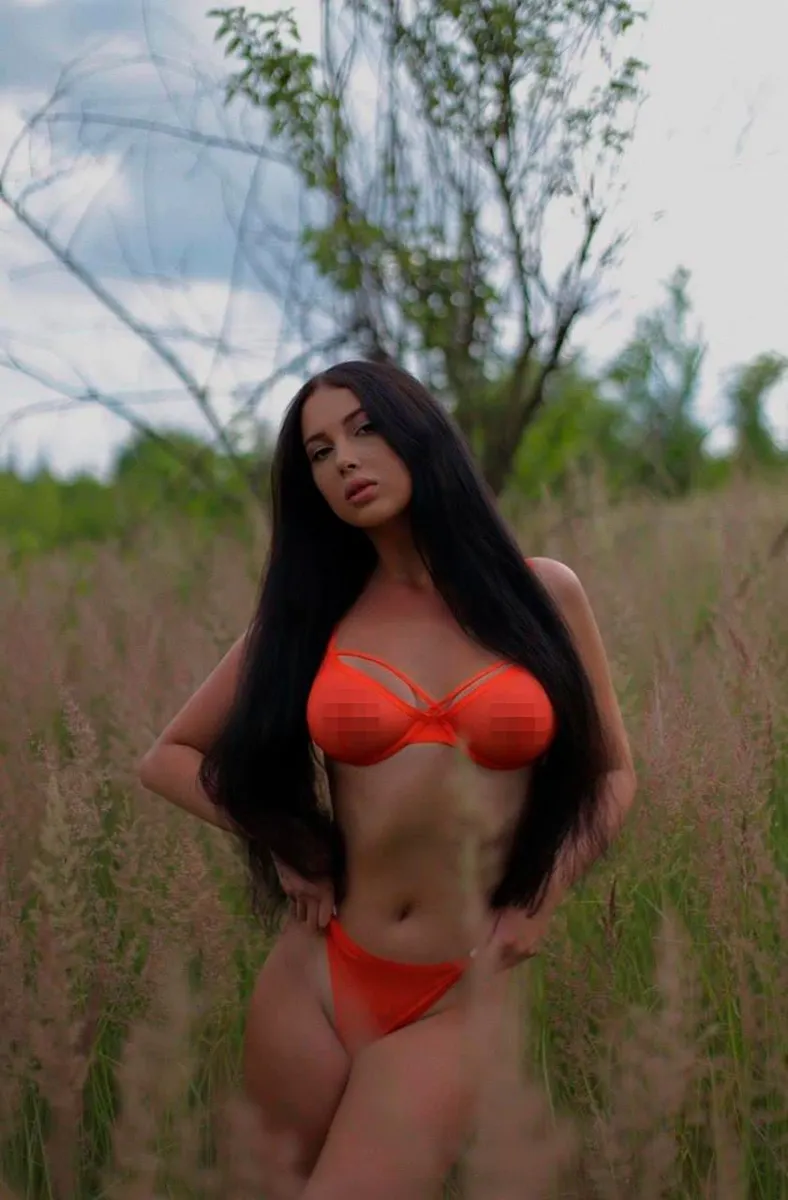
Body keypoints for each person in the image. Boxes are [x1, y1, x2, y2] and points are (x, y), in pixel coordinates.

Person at [139, 359, 636, 1200]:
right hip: (316, 975)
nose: (344, 459)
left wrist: (542, 898)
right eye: (320, 451)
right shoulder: (313, 616)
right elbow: (169, 758)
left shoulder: (543, 594)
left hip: (453, 988)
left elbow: (612, 775)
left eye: (364, 429)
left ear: (420, 435)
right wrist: (289, 840)